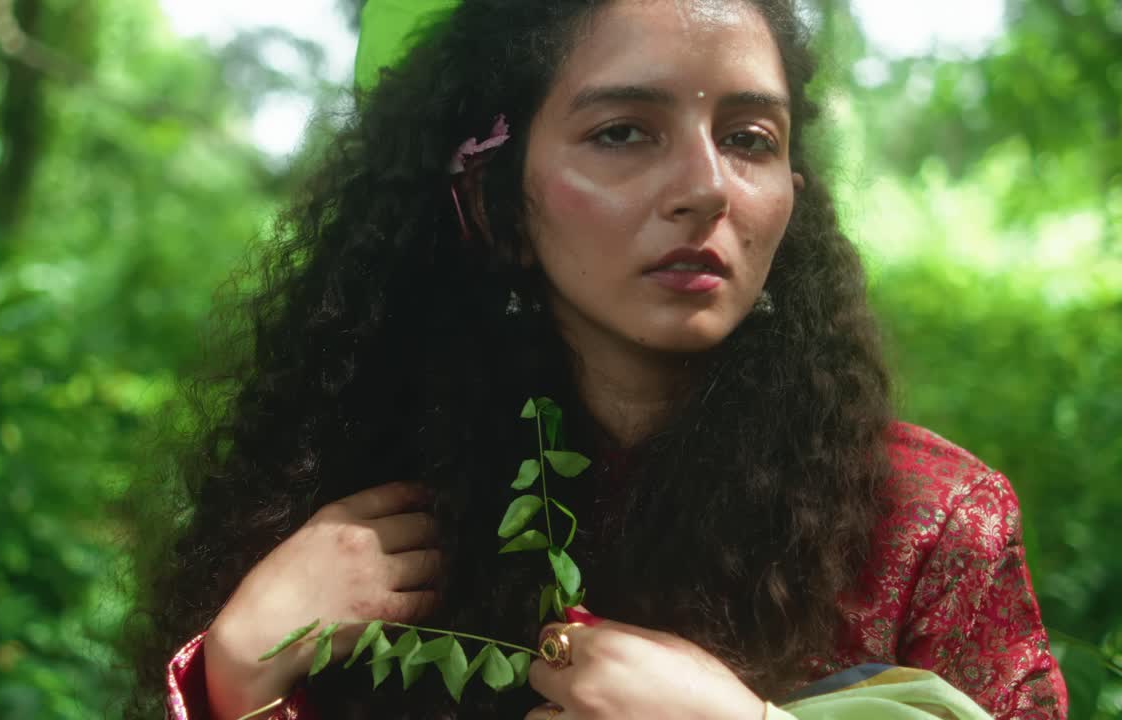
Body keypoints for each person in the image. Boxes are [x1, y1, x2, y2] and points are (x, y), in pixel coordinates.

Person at [123, 1, 1069, 718]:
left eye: (749, 139)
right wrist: (235, 672)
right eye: (624, 132)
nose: (706, 187)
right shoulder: (359, 516)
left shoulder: (928, 521)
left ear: (793, 193)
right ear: (494, 206)